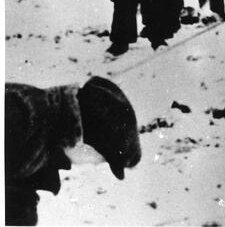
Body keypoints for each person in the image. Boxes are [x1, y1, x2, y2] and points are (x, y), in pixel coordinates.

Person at [5, 76, 141, 226]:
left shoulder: (43, 137)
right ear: (87, 141)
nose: (94, 164)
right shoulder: (21, 115)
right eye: (100, 158)